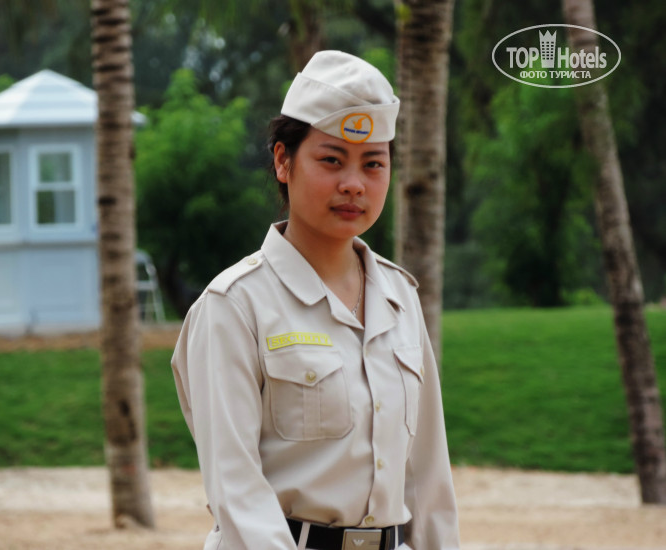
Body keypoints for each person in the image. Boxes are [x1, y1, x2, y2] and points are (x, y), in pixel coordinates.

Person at [171, 50, 459, 550]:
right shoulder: (234, 306)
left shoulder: (399, 297)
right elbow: (237, 492)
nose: (354, 184)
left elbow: (428, 478)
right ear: (283, 161)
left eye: (373, 163)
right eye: (331, 160)